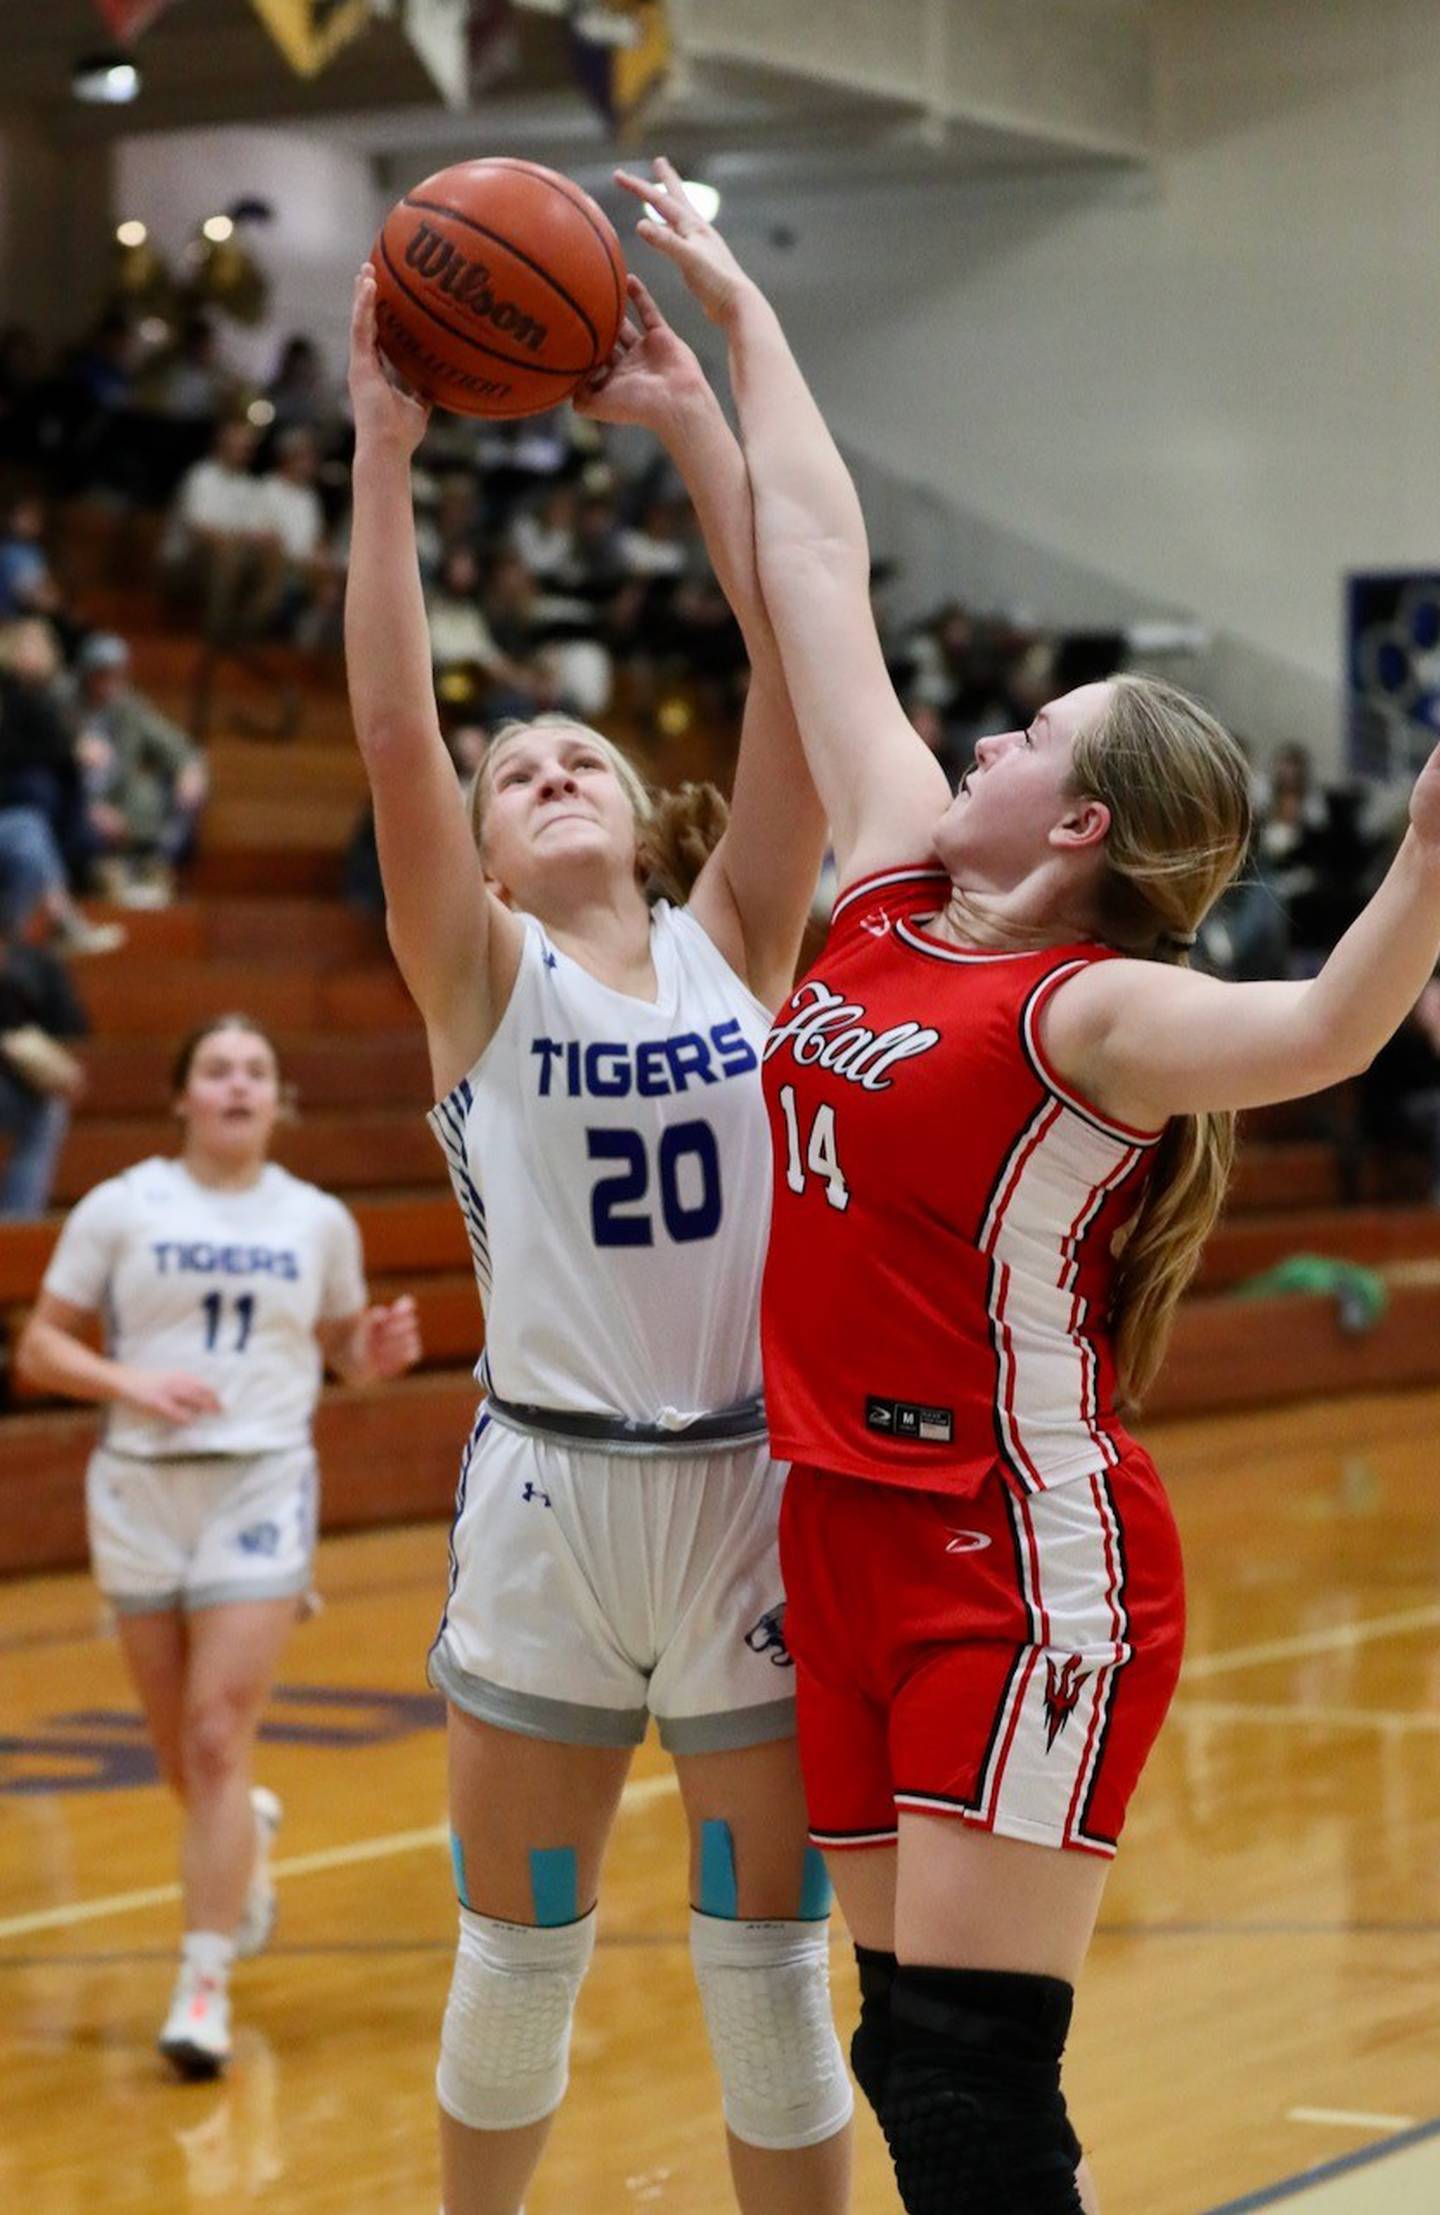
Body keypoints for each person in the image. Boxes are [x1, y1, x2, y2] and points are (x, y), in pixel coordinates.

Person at [619, 156, 1440, 2214]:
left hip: (1016, 1548)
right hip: (841, 1530)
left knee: (978, 2088)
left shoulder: (1097, 1013)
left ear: (1074, 817)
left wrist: (1428, 851)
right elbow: (813, 556)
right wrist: (736, 316)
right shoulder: (900, 885)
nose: (969, 734)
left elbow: (1335, 1024)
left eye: (1022, 729)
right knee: (916, 2063)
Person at [345, 263, 852, 2215]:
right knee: (515, 1962)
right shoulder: (476, 976)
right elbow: (397, 729)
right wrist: (387, 455)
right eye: (513, 769)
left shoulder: (742, 941)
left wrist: (692, 423)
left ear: (647, 818)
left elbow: (801, 666)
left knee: (770, 1986)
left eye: (582, 757)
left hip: (745, 1513)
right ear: (476, 855)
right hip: (552, 1516)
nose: (547, 765)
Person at [16, 1015, 422, 2079]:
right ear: (181, 1095)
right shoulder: (123, 1204)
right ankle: (247, 1833)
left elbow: (341, 1350)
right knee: (183, 1760)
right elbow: (40, 1345)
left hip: (261, 1480)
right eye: (217, 1069)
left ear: (279, 1100)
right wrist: (131, 1382)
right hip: (141, 1489)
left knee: (211, 1733)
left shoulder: (317, 1219)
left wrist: (370, 1353)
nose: (238, 1085)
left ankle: (201, 1980)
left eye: (257, 1070)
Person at [73, 633, 209, 902]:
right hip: (75, 802)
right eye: (103, 674)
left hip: (119, 801)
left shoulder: (129, 709)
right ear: (87, 674)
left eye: (117, 675)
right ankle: (108, 879)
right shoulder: (64, 706)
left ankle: (156, 869)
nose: (111, 683)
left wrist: (190, 769)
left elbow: (176, 747)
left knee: (169, 791)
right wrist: (88, 808)